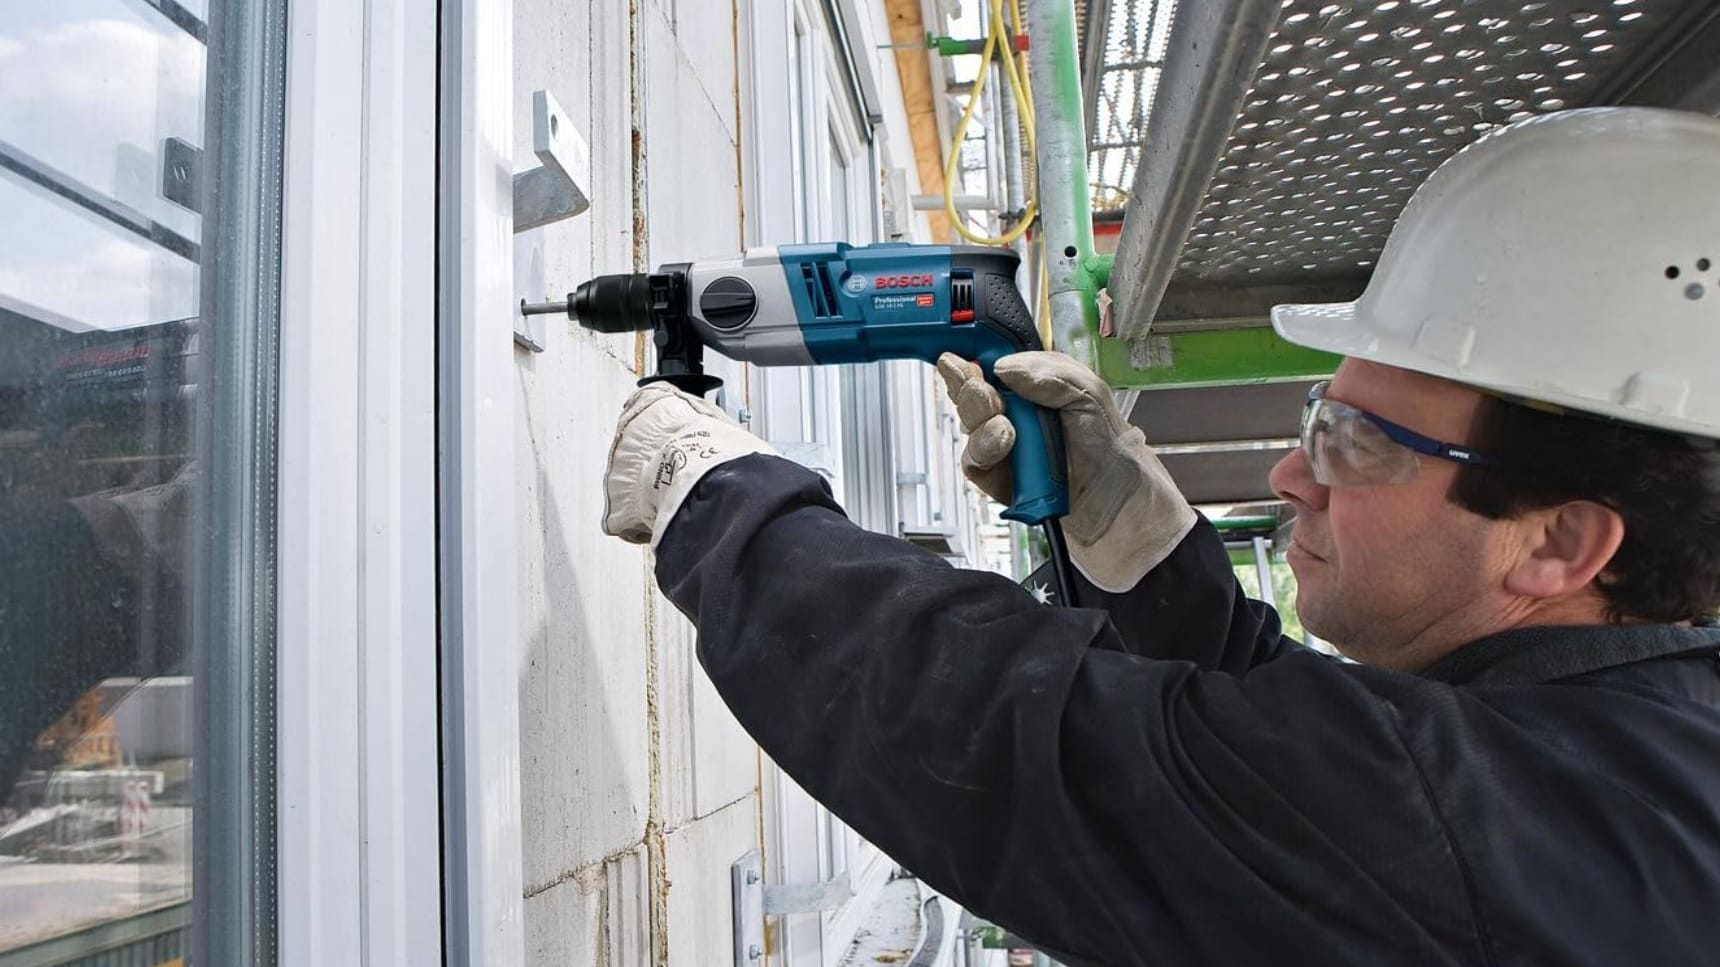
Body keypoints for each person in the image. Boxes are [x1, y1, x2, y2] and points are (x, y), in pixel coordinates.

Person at [599, 107, 1720, 965]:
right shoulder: (1631, 758)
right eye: (1314, 420)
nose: (1292, 473)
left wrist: (724, 498)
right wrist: (1140, 551)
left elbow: (1025, 748)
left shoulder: (1488, 826)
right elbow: (1288, 748)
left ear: (1558, 542)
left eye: (1358, 443)